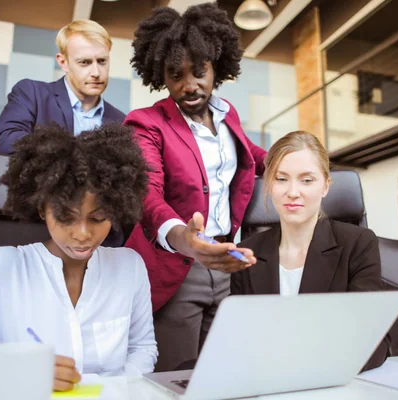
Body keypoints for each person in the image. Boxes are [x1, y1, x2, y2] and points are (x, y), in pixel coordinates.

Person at [0, 124, 157, 395]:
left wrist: (118, 389)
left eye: (98, 218)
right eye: (66, 217)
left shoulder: (130, 268)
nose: (82, 234)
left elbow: (142, 348)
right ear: (43, 209)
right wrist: (5, 372)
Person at [124, 3, 266, 372]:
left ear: (217, 65)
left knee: (223, 371)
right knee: (176, 376)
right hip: (176, 266)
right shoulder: (146, 124)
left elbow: (251, 153)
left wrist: (297, 162)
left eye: (199, 72)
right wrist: (184, 238)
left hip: (227, 259)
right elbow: (146, 193)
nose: (189, 85)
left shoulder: (227, 113)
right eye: (176, 75)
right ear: (160, 74)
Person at [231, 130, 389, 371]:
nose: (293, 192)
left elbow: (374, 342)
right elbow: (237, 341)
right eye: (281, 178)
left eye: (307, 180)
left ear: (325, 186)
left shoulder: (358, 243)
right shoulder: (246, 252)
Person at [0, 19, 125, 155]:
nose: (96, 73)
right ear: (63, 62)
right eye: (85, 62)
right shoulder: (32, 94)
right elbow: (5, 142)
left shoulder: (122, 122)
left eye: (102, 61)